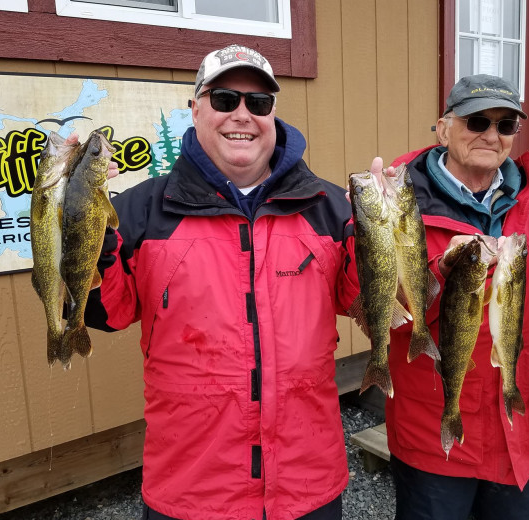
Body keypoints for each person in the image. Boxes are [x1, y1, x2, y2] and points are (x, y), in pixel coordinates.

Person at [83, 44, 360, 520]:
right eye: (225, 99)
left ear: (273, 113)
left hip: (307, 484)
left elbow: (362, 299)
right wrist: (74, 221)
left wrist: (394, 231)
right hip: (191, 491)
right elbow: (104, 313)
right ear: (195, 109)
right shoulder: (139, 210)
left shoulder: (332, 206)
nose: (242, 115)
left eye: (258, 103)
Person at [375, 74, 529, 519]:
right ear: (443, 128)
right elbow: (374, 298)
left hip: (522, 430)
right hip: (437, 434)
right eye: (477, 121)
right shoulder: (395, 201)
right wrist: (442, 272)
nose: (491, 135)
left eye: (506, 124)